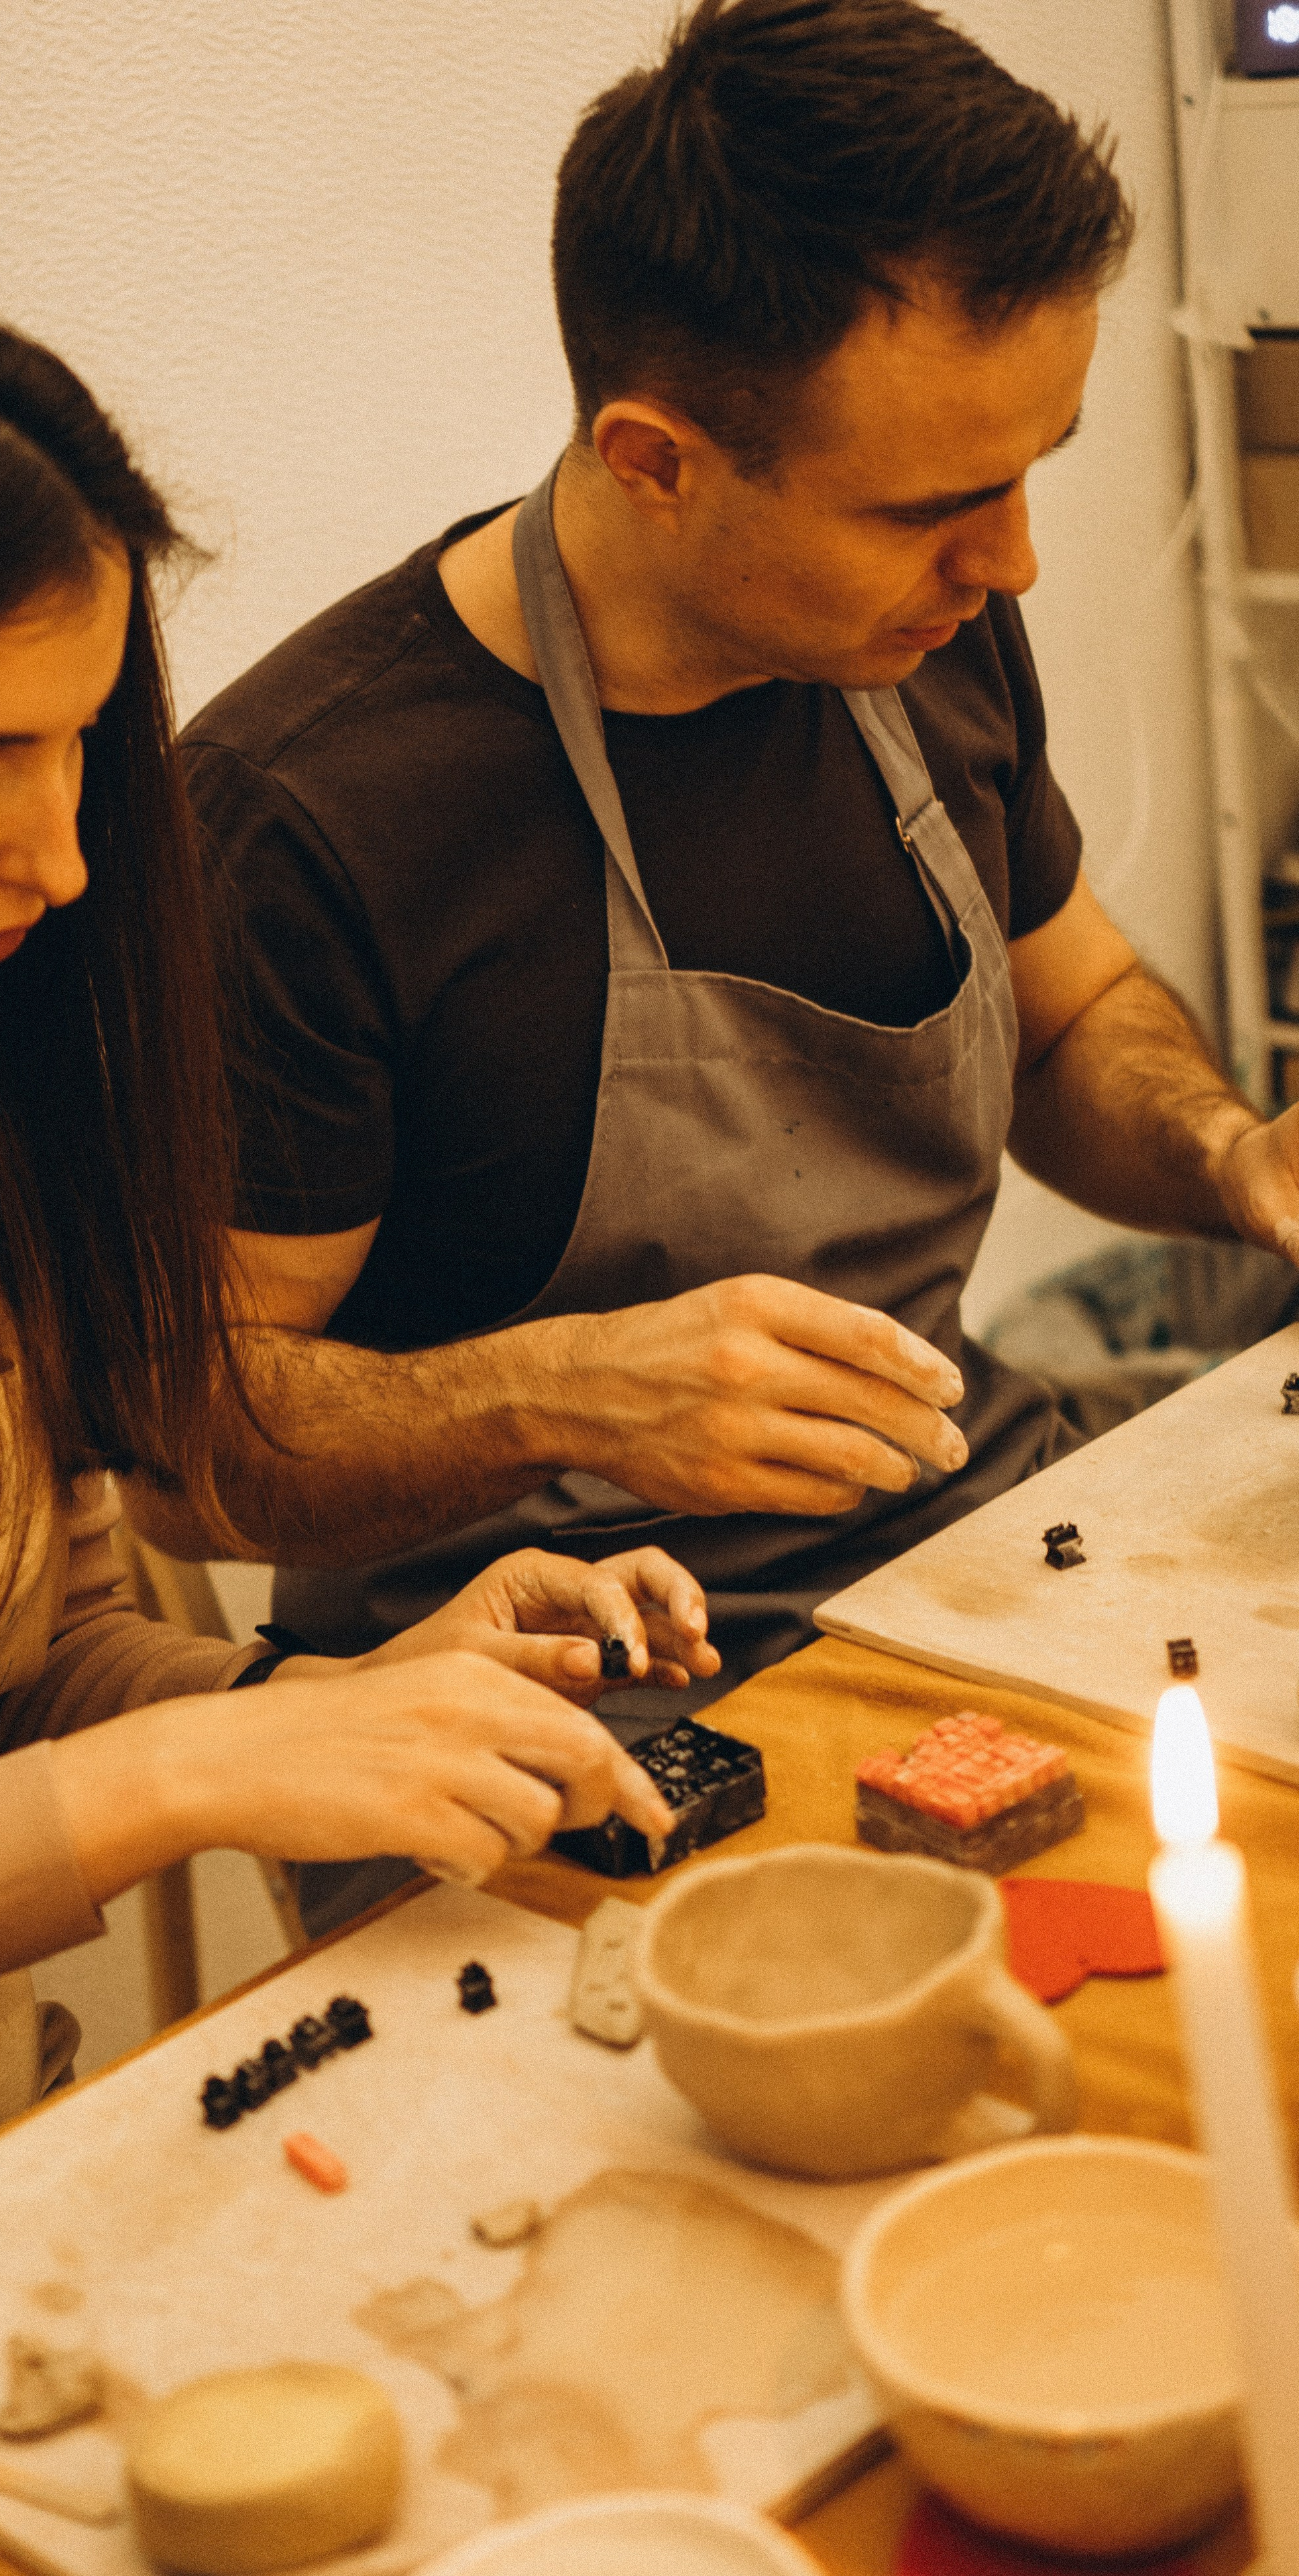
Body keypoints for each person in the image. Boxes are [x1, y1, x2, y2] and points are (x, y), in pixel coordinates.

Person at [0, 266, 711, 2359]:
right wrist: (189, 1787)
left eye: (80, 756)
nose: (66, 861)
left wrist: (313, 1714)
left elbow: (24, 1670)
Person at [145, 0, 1299, 1927]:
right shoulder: (301, 826)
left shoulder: (919, 634)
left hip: (977, 1539)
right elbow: (183, 1445)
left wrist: (1233, 1154)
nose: (1012, 564)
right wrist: (563, 1394)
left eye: (1036, 473)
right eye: (939, 505)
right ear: (656, 459)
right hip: (554, 1703)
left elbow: (1078, 1014)